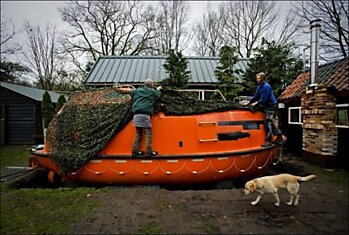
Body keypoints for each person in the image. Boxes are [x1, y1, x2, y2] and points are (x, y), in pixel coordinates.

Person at [247, 72, 284, 147]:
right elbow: (256, 96)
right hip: (265, 106)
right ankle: (279, 136)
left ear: (262, 78)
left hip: (270, 106)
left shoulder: (266, 87)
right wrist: (249, 102)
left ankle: (268, 141)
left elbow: (264, 99)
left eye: (258, 78)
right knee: (269, 122)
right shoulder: (259, 87)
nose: (257, 80)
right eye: (257, 78)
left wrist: (255, 103)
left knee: (267, 123)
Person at [130, 78, 162, 157]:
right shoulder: (152, 92)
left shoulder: (137, 91)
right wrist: (158, 89)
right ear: (151, 85)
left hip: (136, 114)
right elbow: (158, 95)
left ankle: (135, 151)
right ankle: (148, 152)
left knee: (138, 133)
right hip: (145, 114)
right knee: (148, 133)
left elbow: (131, 92)